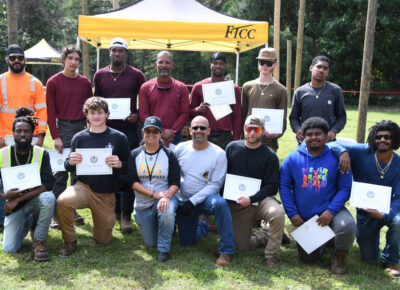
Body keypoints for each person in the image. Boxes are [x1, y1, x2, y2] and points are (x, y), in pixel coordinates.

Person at [280, 117, 356, 275]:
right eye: (309, 134)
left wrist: (331, 211)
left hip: (331, 211)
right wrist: (292, 214)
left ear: (327, 135)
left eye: (318, 134)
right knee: (308, 259)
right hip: (305, 217)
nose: (313, 137)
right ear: (303, 136)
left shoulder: (338, 158)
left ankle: (339, 256)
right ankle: (325, 241)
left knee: (346, 225)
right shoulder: (292, 159)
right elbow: (285, 188)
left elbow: (345, 188)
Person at [57, 97, 130, 257]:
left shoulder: (119, 137)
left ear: (107, 114)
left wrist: (120, 164)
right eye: (92, 113)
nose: (96, 116)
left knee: (103, 240)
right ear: (86, 115)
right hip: (84, 187)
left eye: (100, 113)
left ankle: (102, 228)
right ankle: (69, 241)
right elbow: (68, 166)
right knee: (63, 201)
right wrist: (71, 162)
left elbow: (129, 167)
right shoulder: (79, 138)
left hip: (106, 194)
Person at [330, 120, 400, 278]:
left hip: (390, 210)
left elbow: (399, 197)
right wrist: (343, 152)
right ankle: (373, 248)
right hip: (366, 213)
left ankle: (391, 260)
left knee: (398, 222)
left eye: (387, 137)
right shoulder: (362, 151)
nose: (382, 140)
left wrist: (385, 215)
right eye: (378, 136)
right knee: (368, 257)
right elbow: (331, 145)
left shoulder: (399, 164)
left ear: (394, 139)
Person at [93, 37, 146, 234]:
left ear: (126, 53)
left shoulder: (136, 75)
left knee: (127, 170)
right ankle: (112, 211)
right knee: (107, 169)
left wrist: (138, 115)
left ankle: (125, 214)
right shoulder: (99, 75)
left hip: (128, 131)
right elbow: (95, 101)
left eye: (120, 50)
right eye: (113, 50)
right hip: (105, 131)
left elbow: (145, 99)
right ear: (109, 53)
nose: (117, 53)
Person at [174, 116, 234, 266]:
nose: (198, 131)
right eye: (195, 128)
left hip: (206, 199)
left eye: (202, 128)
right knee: (186, 242)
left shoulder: (219, 153)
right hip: (184, 200)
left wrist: (193, 201)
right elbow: (174, 177)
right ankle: (204, 225)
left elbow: (215, 184)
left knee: (220, 204)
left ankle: (226, 251)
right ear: (189, 130)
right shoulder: (180, 149)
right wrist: (179, 199)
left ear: (209, 131)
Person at [225, 115, 285, 267]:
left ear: (263, 131)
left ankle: (271, 255)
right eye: (248, 129)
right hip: (237, 202)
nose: (252, 133)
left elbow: (272, 186)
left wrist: (251, 199)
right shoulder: (232, 148)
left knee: (277, 213)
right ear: (244, 130)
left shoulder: (270, 156)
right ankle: (265, 234)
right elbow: (224, 176)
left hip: (261, 200)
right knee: (242, 247)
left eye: (256, 129)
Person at [46, 44, 93, 229]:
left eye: (77, 59)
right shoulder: (53, 82)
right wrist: (56, 136)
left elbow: (91, 108)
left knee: (78, 171)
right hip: (63, 128)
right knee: (60, 173)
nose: (73, 62)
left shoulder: (85, 82)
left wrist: (90, 130)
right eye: (70, 58)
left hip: (82, 128)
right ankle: (55, 214)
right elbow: (50, 113)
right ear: (63, 60)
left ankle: (70, 208)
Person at [0, 108, 55, 262]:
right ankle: (30, 222)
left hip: (34, 201)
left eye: (27, 131)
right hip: (13, 207)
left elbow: (47, 184)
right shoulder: (2, 154)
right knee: (10, 249)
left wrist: (17, 199)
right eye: (18, 131)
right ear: (13, 133)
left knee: (48, 198)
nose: (22, 135)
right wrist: (5, 196)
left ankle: (39, 241)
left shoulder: (41, 153)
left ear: (33, 134)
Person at [127, 116, 180, 262]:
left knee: (166, 212)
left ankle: (164, 250)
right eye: (148, 131)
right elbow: (132, 182)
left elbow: (176, 182)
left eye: (155, 131)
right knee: (150, 243)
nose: (151, 134)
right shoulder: (135, 154)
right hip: (143, 203)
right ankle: (165, 227)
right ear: (143, 132)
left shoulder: (169, 154)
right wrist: (153, 194)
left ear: (160, 133)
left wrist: (166, 195)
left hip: (164, 198)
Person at [190, 52, 241, 150]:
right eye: (215, 63)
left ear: (225, 66)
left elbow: (237, 117)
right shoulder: (198, 86)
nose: (218, 66)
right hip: (203, 135)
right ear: (210, 65)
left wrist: (235, 140)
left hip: (225, 137)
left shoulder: (233, 88)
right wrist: (198, 109)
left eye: (221, 63)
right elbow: (188, 113)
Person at [289, 55, 346, 143]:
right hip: (305, 141)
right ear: (311, 68)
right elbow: (293, 117)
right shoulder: (300, 91)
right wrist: (298, 130)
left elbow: (342, 116)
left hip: (328, 141)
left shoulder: (335, 90)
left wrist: (333, 131)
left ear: (328, 71)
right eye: (319, 67)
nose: (321, 70)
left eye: (325, 68)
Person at [139, 51, 189, 147]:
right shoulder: (145, 87)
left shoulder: (181, 87)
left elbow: (184, 113)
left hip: (174, 136)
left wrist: (171, 132)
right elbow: (143, 113)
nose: (164, 65)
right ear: (155, 64)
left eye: (167, 62)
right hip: (151, 134)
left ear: (172, 65)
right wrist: (160, 131)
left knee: (175, 162)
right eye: (161, 62)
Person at [241, 47, 288, 152]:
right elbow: (243, 114)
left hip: (268, 142)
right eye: (262, 62)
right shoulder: (247, 86)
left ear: (276, 64)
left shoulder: (281, 90)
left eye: (269, 63)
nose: (265, 66)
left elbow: (283, 118)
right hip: (249, 140)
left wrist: (277, 133)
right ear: (258, 63)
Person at [0, 44, 47, 146]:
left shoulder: (36, 83)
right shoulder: (0, 81)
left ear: (25, 59)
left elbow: (42, 112)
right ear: (6, 60)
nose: (17, 60)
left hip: (30, 136)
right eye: (12, 58)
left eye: (20, 57)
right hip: (5, 137)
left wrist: (41, 135)